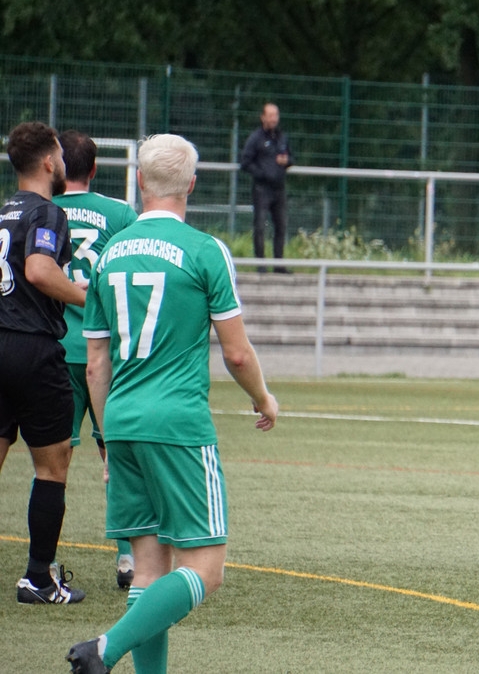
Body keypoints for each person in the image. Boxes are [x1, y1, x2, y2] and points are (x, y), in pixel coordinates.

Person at [66, 134, 278, 673]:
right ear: (192, 184)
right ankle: (105, 648)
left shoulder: (110, 254)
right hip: (178, 424)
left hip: (122, 421)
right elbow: (236, 353)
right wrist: (263, 397)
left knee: (147, 571)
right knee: (206, 569)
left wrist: (107, 436)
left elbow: (95, 364)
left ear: (139, 181)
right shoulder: (206, 251)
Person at [0, 121, 88, 605]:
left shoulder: (3, 212)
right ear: (50, 161)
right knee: (52, 466)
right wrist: (85, 297)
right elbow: (38, 269)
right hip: (32, 348)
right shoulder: (47, 211)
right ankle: (38, 579)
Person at [52, 130, 139, 590]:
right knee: (117, 455)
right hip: (104, 351)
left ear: (56, 165)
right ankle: (127, 557)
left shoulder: (42, 210)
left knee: (52, 463)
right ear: (95, 168)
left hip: (55, 349)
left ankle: (44, 560)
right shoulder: (120, 214)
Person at [240, 102, 292, 273]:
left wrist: (287, 161)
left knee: (281, 226)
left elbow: (291, 157)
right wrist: (262, 173)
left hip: (279, 189)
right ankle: (261, 264)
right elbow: (245, 162)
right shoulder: (256, 138)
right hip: (262, 189)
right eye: (270, 115)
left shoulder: (282, 137)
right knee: (260, 226)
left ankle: (279, 264)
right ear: (263, 117)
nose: (273, 119)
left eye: (275, 115)